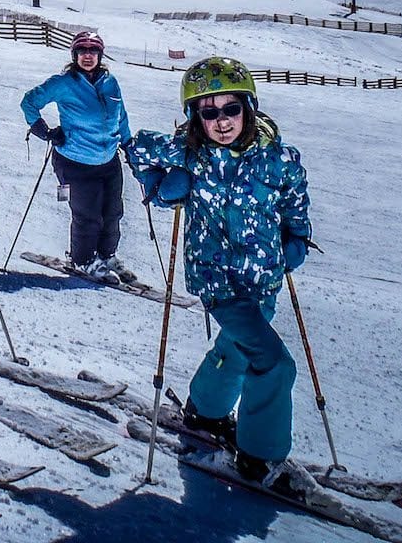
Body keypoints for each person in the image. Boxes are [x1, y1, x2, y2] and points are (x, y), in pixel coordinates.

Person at [123, 56, 313, 485]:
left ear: (249, 107)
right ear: (196, 116)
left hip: (265, 274)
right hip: (217, 277)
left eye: (231, 108)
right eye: (209, 111)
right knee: (273, 363)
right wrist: (158, 184)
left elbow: (293, 194)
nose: (222, 121)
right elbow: (134, 147)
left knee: (238, 348)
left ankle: (204, 413)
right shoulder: (190, 152)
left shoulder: (278, 157)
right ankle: (258, 456)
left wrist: (297, 234)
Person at [19, 31, 138, 283]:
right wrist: (43, 130)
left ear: (100, 55)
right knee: (88, 215)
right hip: (74, 161)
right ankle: (83, 260)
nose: (87, 55)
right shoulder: (64, 83)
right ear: (74, 55)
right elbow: (29, 102)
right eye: (82, 51)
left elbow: (121, 116)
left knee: (113, 212)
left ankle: (106, 255)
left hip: (108, 159)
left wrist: (127, 144)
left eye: (92, 51)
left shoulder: (110, 82)